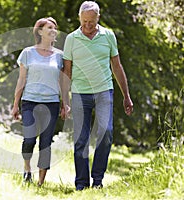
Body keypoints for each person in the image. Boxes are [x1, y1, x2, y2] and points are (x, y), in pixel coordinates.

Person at [61, 1, 134, 190]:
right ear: (79, 18)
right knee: (81, 139)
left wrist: (126, 95)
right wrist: (65, 101)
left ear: (98, 18)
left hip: (103, 91)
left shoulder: (108, 36)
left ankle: (98, 180)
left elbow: (116, 67)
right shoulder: (71, 39)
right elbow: (67, 72)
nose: (87, 26)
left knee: (106, 132)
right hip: (79, 93)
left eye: (91, 22)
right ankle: (81, 184)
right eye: (84, 21)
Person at [11, 17, 65, 186]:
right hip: (30, 101)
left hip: (52, 103)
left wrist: (65, 103)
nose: (53, 30)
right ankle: (27, 170)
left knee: (46, 142)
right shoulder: (27, 53)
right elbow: (21, 80)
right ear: (40, 31)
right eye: (49, 27)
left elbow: (63, 82)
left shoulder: (60, 56)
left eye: (55, 28)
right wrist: (15, 104)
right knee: (29, 139)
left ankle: (41, 182)